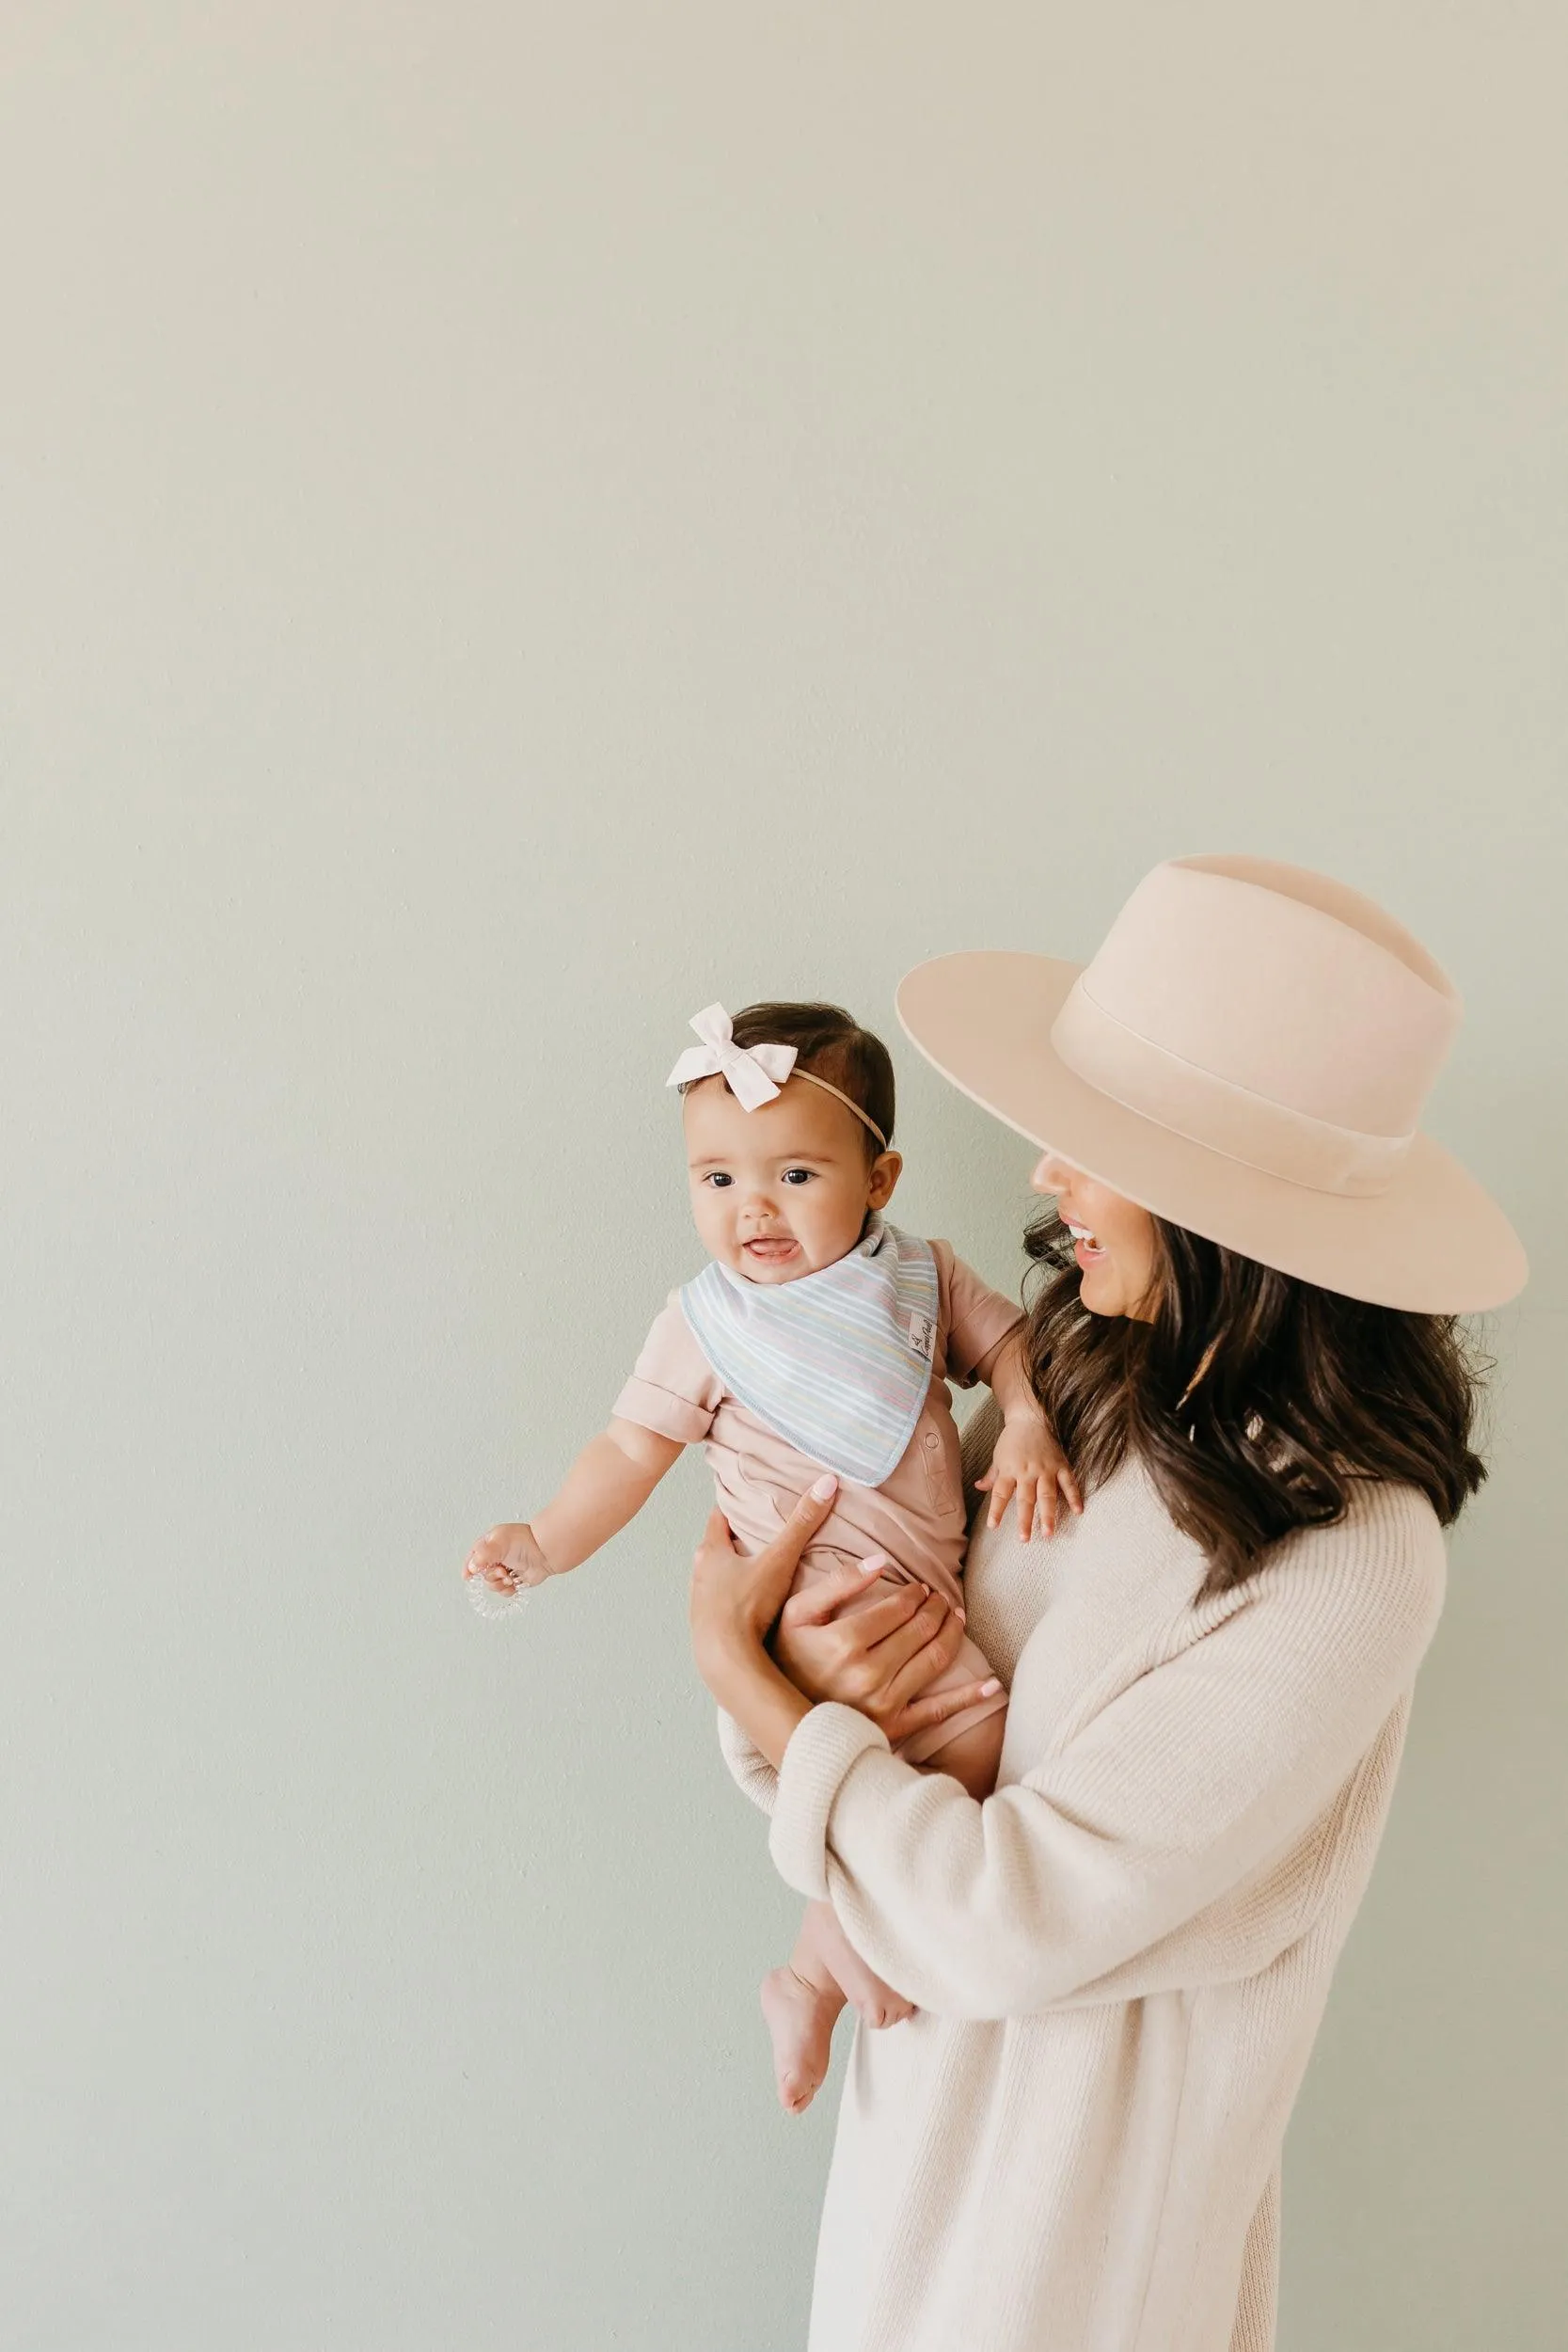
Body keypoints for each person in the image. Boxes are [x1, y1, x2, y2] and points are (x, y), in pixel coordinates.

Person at [689, 853, 1527, 2352]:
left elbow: (997, 1921)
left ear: (1227, 1208)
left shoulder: (1347, 1554)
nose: (1040, 1177)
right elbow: (841, 1761)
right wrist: (784, 1686)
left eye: (1091, 1145)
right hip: (900, 2198)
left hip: (1070, 2274)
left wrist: (744, 1676)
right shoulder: (1067, 1397)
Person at [461, 998, 1080, 2115]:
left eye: (794, 1175)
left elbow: (1010, 1345)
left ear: (878, 1180)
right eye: (716, 1180)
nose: (752, 1208)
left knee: (951, 1773)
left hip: (918, 1604)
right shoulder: (704, 1326)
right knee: (957, 1757)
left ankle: (814, 1973)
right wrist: (546, 1540)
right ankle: (828, 1967)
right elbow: (627, 1449)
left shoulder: (921, 1279)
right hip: (809, 1619)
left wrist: (1028, 1420)